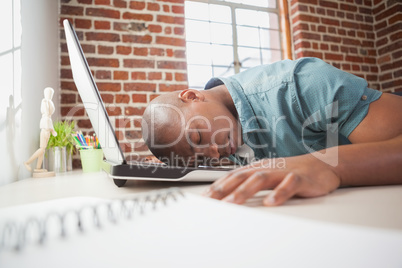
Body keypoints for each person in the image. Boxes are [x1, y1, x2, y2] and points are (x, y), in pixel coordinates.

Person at [141, 57, 402, 206]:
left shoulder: (300, 84)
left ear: (192, 95)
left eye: (197, 136)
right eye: (201, 159)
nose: (213, 152)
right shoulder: (222, 125)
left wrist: (328, 166)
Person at [24, 87, 58, 174]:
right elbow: (47, 122)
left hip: (47, 131)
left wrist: (52, 130)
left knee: (43, 150)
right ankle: (27, 162)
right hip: (45, 131)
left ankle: (38, 168)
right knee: (42, 149)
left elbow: (49, 122)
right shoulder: (44, 105)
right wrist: (50, 130)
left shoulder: (48, 113)